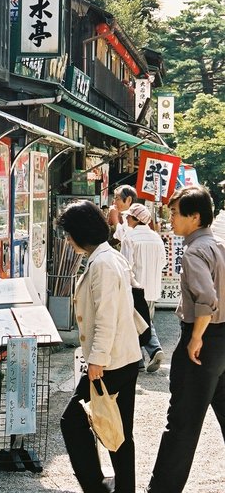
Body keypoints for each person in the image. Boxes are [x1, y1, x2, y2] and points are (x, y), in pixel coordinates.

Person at [58, 200, 142, 493]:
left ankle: (97, 486)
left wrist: (96, 361)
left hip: (110, 362)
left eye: (68, 234)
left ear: (80, 232)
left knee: (73, 421)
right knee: (119, 431)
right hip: (122, 357)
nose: (67, 240)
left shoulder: (102, 263)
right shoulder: (108, 257)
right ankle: (121, 488)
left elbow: (106, 315)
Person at [147, 185, 225, 493]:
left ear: (194, 217)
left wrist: (195, 338)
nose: (171, 220)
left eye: (175, 213)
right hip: (223, 340)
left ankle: (162, 489)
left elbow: (206, 299)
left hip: (203, 342)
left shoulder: (194, 251)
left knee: (182, 422)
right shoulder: (218, 245)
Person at [121, 202, 167, 373]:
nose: (126, 218)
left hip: (135, 288)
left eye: (128, 216)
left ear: (135, 219)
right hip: (152, 288)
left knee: (138, 322)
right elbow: (163, 262)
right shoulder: (156, 238)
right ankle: (138, 360)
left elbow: (125, 266)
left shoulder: (130, 237)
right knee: (141, 321)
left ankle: (154, 349)